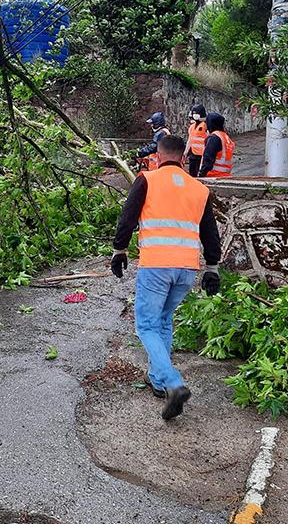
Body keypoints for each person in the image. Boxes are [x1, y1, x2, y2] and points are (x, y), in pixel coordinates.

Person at [111, 134, 223, 420]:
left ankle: (173, 383)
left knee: (146, 325)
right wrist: (213, 268)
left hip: (157, 265)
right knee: (164, 319)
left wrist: (119, 250)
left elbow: (127, 217)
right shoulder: (199, 189)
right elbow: (210, 232)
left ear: (158, 157)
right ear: (183, 158)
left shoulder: (147, 179)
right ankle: (159, 381)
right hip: (186, 269)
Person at [197, 112, 235, 178]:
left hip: (213, 175)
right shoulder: (226, 138)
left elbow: (208, 158)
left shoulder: (214, 138)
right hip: (225, 176)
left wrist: (201, 174)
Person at [183, 104, 208, 176]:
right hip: (193, 154)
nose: (194, 115)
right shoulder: (192, 127)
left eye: (196, 113)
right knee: (192, 174)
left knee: (200, 175)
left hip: (202, 155)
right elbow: (189, 140)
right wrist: (185, 153)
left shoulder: (205, 126)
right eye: (193, 113)